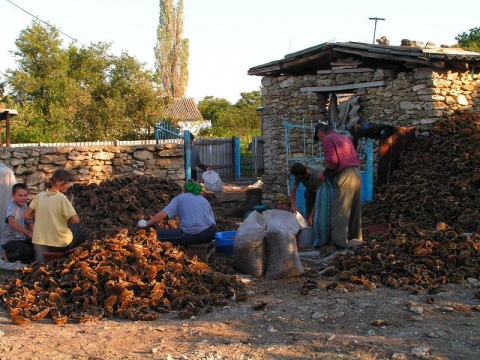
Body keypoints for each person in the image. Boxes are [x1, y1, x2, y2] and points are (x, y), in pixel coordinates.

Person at [313, 122, 362, 248]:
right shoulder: (344, 138)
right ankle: (355, 239)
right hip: (356, 173)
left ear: (320, 132)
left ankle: (338, 242)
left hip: (344, 174)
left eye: (318, 136)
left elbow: (332, 162)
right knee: (355, 209)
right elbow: (357, 158)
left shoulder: (328, 139)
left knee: (340, 210)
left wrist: (324, 174)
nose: (320, 139)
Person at [23, 169, 88, 264]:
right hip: (59, 243)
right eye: (67, 183)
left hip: (40, 241)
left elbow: (26, 216)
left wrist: (42, 216)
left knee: (40, 264)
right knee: (80, 231)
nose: (69, 186)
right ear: (58, 181)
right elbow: (75, 220)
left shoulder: (39, 196)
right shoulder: (61, 198)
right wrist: (63, 220)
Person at [137, 179, 216, 246]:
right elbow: (213, 223)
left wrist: (146, 223)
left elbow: (163, 214)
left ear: (184, 189)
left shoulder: (180, 198)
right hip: (210, 235)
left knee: (155, 233)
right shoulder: (204, 200)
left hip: (191, 236)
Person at [1, 183, 35, 263]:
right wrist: (28, 233)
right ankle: (7, 255)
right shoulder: (10, 206)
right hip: (10, 240)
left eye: (25, 195)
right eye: (20, 195)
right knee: (26, 251)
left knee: (36, 248)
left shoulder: (25, 207)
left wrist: (34, 236)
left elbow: (29, 223)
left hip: (21, 239)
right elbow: (11, 222)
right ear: (13, 196)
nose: (23, 198)